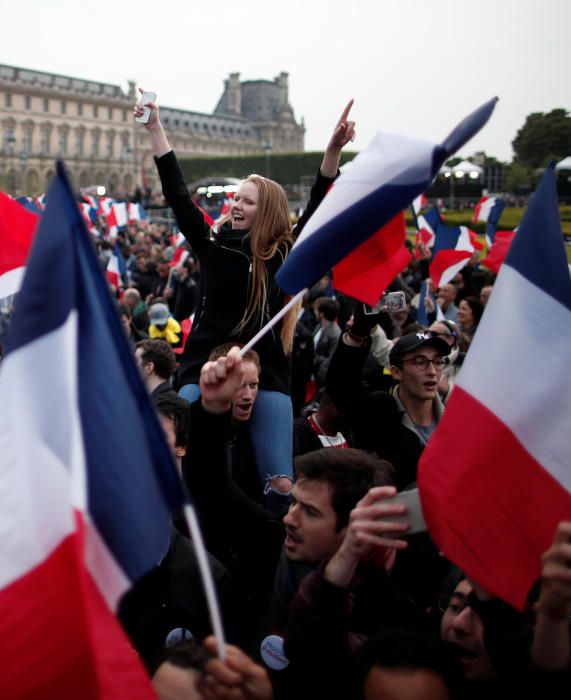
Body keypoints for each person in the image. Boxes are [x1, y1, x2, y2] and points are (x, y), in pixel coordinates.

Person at [135, 91, 355, 500]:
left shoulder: (283, 255)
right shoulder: (212, 244)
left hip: (266, 370)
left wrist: (332, 153)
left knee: (280, 481)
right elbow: (179, 195)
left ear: (265, 210)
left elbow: (316, 210)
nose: (234, 205)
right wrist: (155, 129)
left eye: (245, 201)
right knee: (177, 462)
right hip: (203, 365)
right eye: (235, 198)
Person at [326, 326, 450, 490]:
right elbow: (343, 389)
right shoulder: (380, 414)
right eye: (420, 362)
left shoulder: (455, 425)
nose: (432, 371)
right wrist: (356, 336)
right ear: (396, 372)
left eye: (438, 361)